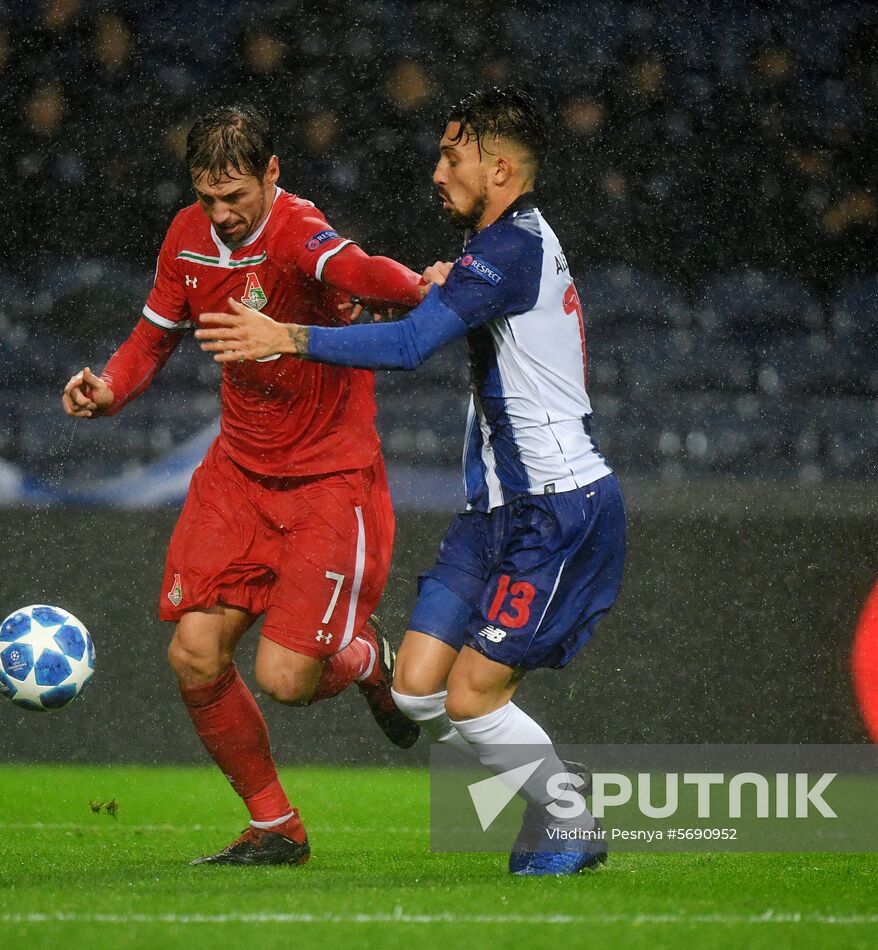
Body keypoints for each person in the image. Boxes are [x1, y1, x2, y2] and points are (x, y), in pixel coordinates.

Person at [196, 87, 627, 876]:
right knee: (419, 691)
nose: (437, 173)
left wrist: (283, 335)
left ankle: (569, 817)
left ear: (498, 169)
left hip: (559, 505)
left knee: (470, 697)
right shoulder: (501, 247)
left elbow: (406, 348)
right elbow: (446, 300)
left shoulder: (508, 250)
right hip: (493, 510)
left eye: (452, 157)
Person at [61, 104, 427, 866]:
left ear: (272, 174)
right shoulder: (187, 236)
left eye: (237, 197)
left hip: (330, 480)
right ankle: (275, 826)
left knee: (287, 678)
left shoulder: (297, 230)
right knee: (195, 653)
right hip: (238, 474)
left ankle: (366, 660)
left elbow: (360, 272)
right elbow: (152, 337)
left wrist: (427, 291)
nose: (222, 215)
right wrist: (110, 390)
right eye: (207, 198)